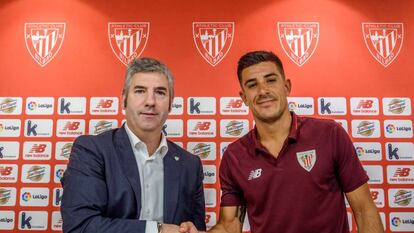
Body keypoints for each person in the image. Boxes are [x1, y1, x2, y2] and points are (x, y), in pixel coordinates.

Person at [180, 51, 383, 233]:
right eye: (252, 85)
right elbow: (229, 225)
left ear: (287, 87)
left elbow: (364, 209)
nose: (263, 91)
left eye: (271, 80)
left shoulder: (329, 134)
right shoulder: (234, 156)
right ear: (243, 97)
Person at [61, 57, 206, 233]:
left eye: (160, 92)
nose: (150, 101)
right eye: (140, 91)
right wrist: (157, 230)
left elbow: (196, 226)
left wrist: (191, 229)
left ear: (170, 103)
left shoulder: (190, 164)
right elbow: (80, 226)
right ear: (124, 99)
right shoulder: (92, 151)